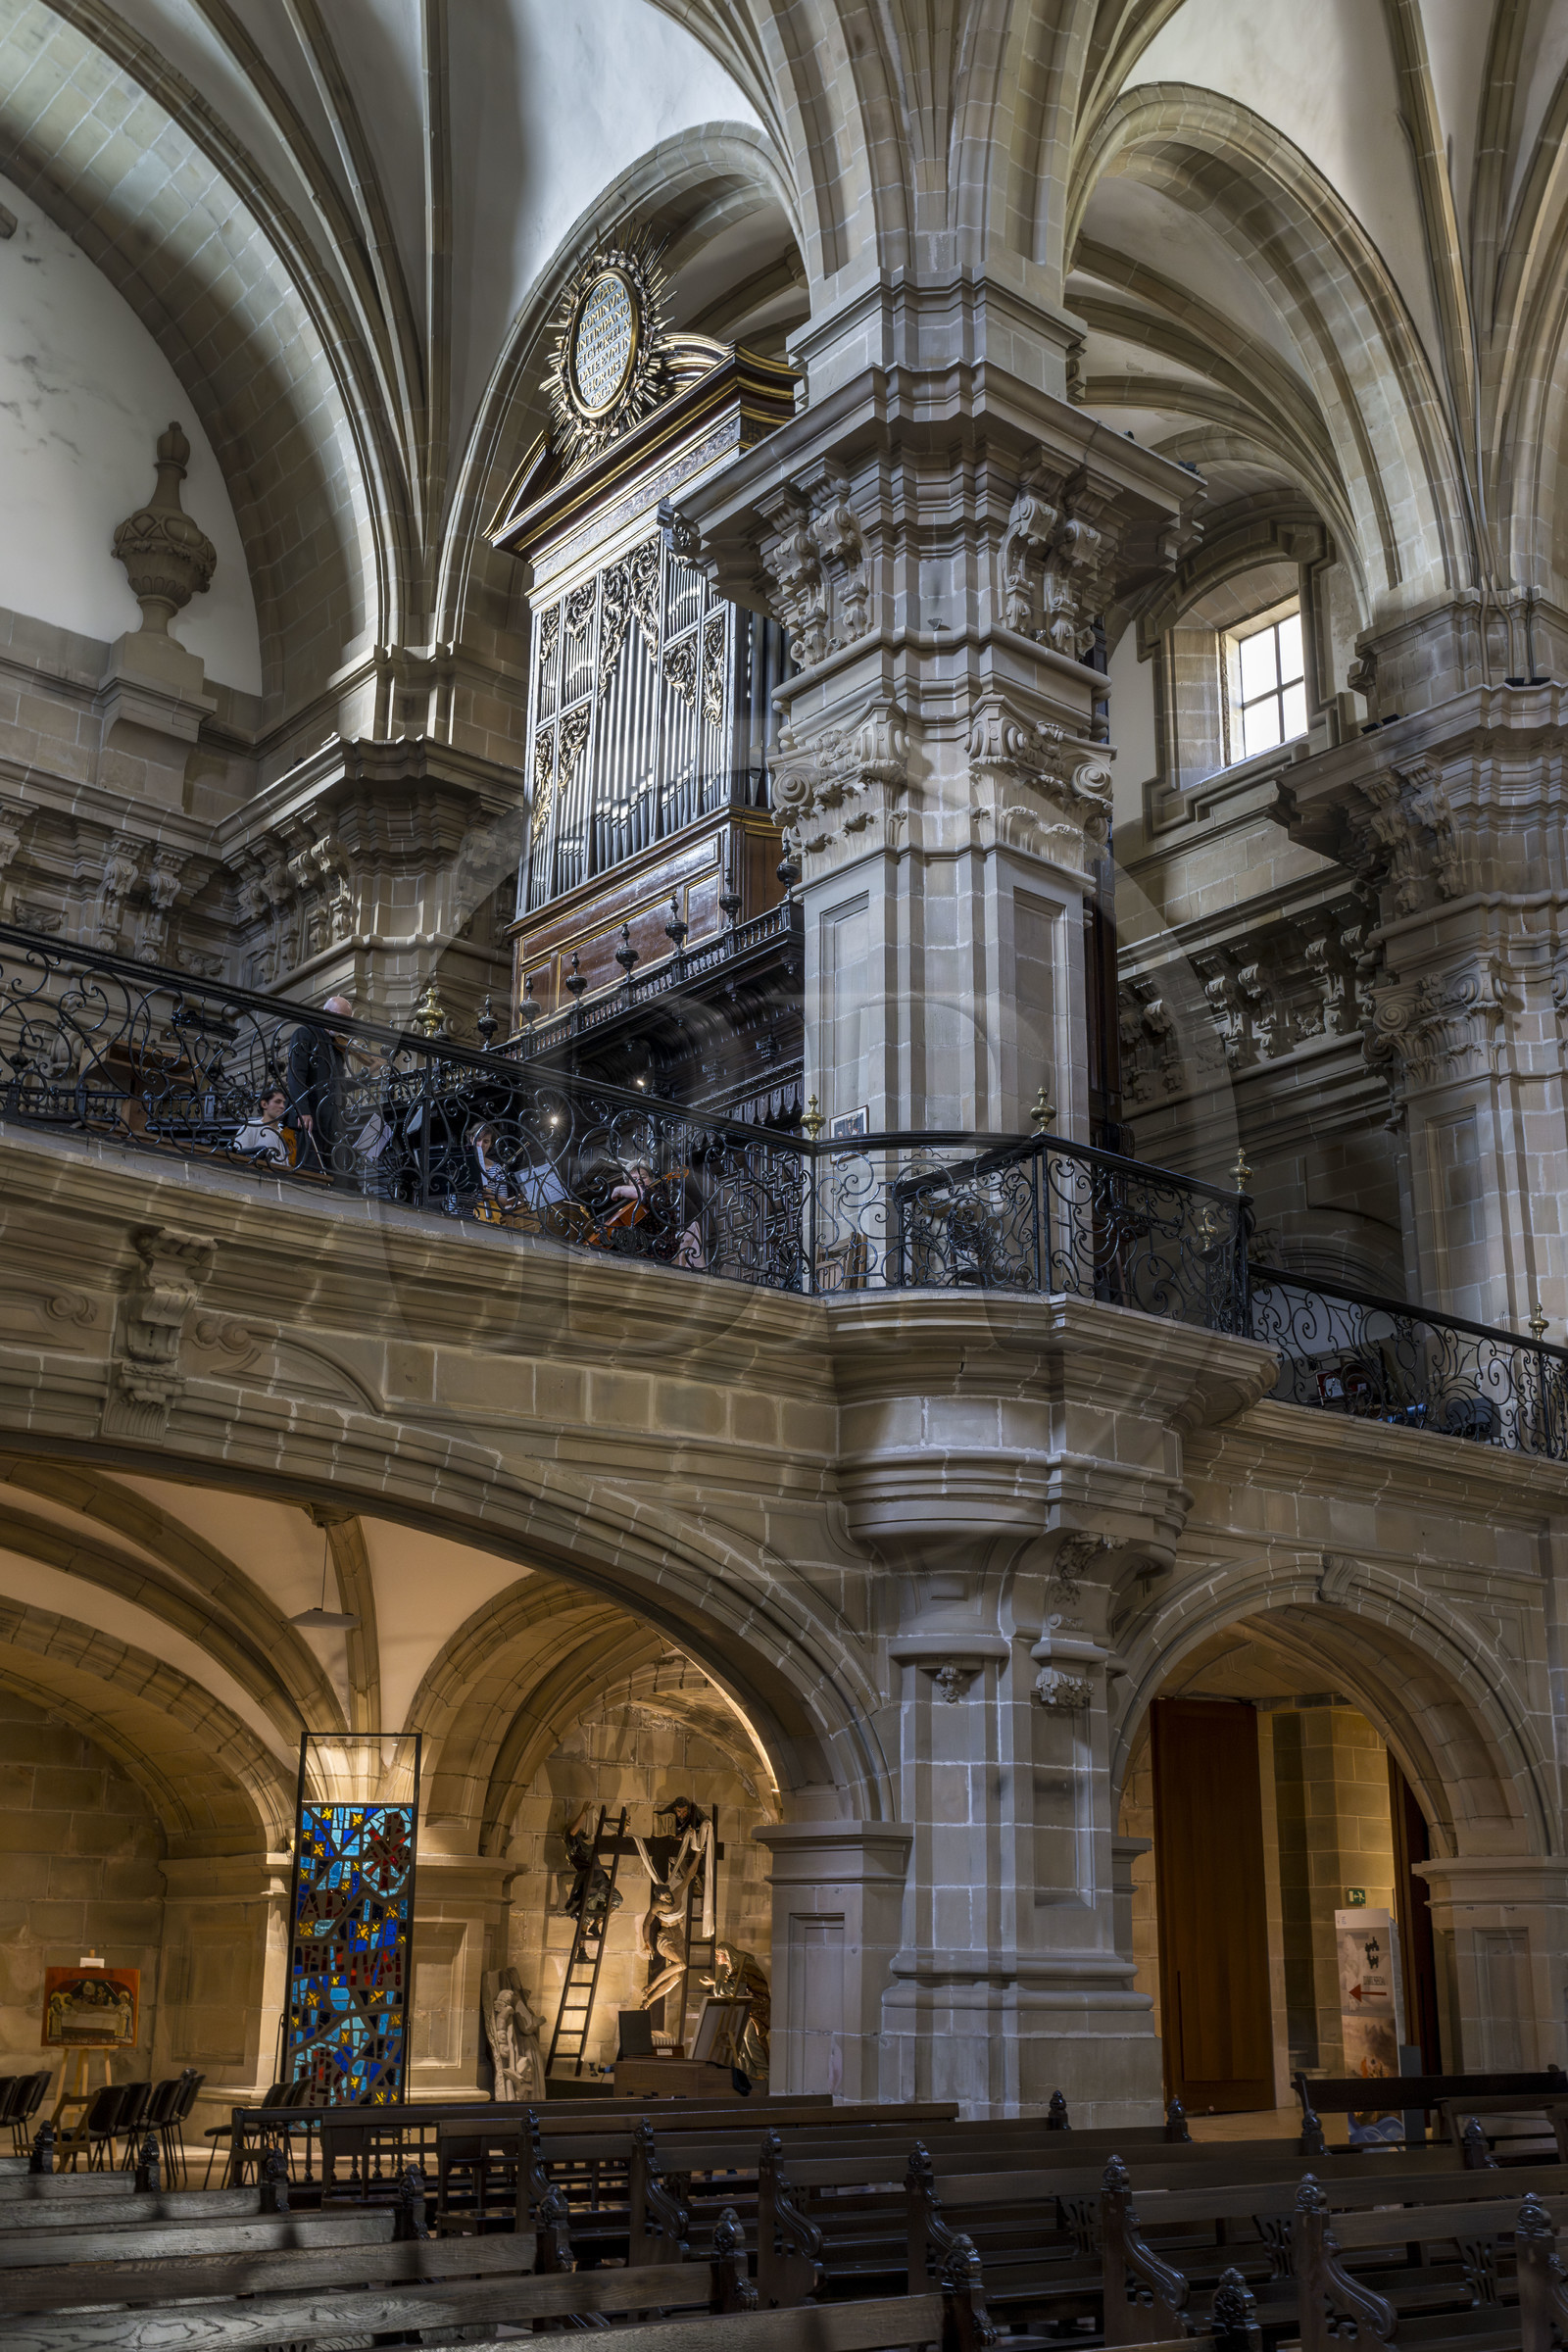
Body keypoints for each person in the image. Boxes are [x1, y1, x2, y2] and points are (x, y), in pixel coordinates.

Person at [285, 995, 355, 1175]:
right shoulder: (305, 1033)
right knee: (311, 1170)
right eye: (339, 1019)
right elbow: (295, 1074)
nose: (342, 1026)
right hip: (311, 1116)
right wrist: (303, 1110)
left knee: (334, 1173)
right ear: (326, 1013)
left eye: (346, 1022)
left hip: (332, 1120)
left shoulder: (336, 1044)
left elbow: (338, 1082)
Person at [233, 1084, 294, 1167]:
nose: (282, 1106)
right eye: (277, 1102)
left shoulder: (286, 1133)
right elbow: (239, 1158)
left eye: (284, 1103)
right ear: (264, 1104)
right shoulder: (250, 1127)